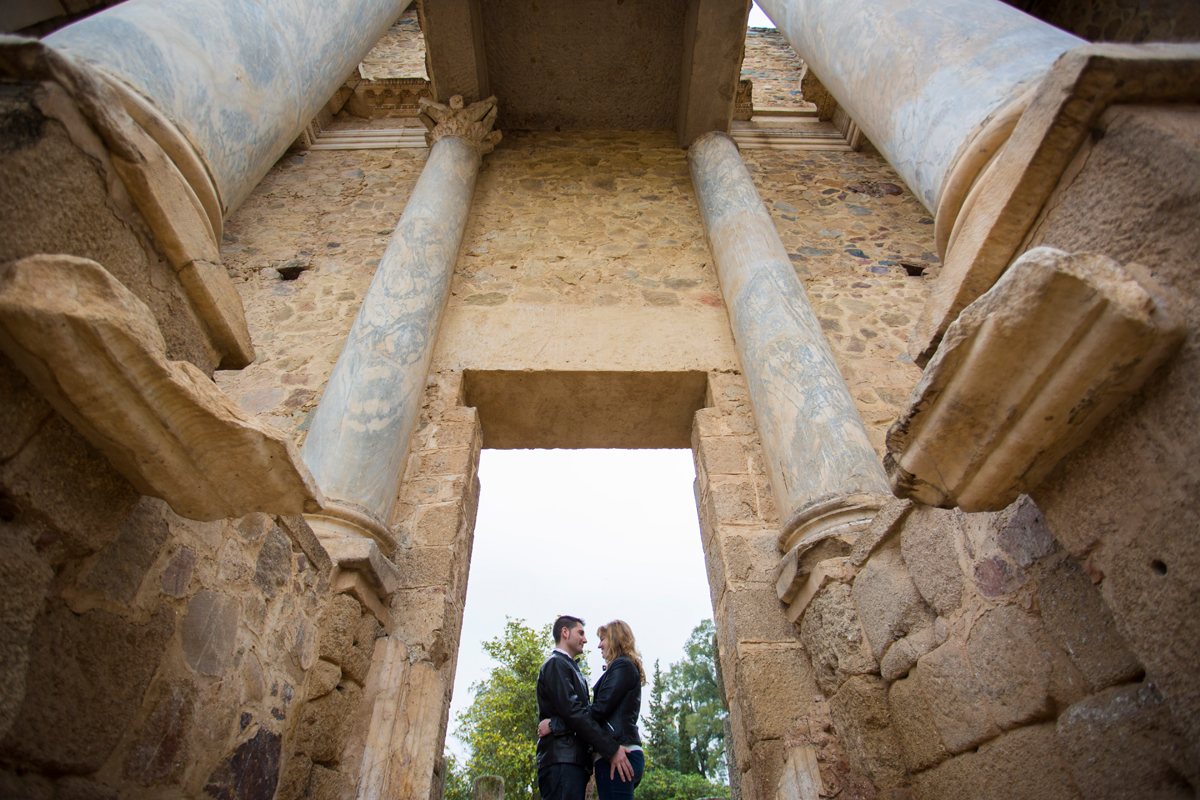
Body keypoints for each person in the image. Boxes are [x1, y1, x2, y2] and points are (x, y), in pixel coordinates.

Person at [539, 619, 646, 800]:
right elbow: (577, 713)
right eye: (581, 633)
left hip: (602, 757)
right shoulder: (557, 664)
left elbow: (594, 711)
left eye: (602, 639)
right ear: (565, 633)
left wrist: (555, 724)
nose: (592, 643)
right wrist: (610, 749)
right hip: (564, 761)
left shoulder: (620, 666)